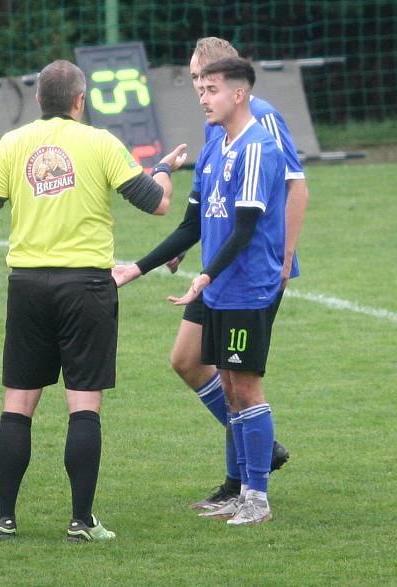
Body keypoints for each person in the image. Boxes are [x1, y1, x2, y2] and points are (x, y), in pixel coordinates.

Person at [0, 59, 188, 540]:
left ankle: (4, 518)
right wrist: (164, 169)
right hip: (86, 286)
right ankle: (81, 521)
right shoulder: (101, 143)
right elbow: (157, 202)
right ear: (80, 101)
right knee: (83, 404)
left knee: (18, 404)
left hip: (26, 286)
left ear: (38, 100)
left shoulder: (12, 143)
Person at [113, 37, 309, 513]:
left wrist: (284, 258)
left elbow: (293, 187)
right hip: (217, 269)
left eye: (207, 83)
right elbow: (203, 214)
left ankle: (250, 484)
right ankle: (245, 473)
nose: (199, 93)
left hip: (248, 272)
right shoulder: (216, 136)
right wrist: (146, 265)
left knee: (238, 380)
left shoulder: (261, 126)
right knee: (204, 368)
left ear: (232, 87)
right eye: (197, 84)